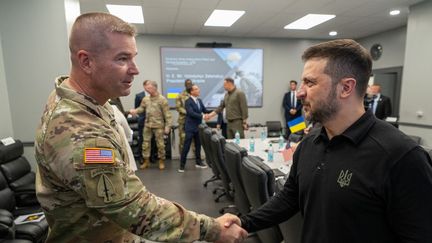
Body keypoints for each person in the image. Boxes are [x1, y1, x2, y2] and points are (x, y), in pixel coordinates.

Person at [35, 12, 247, 243]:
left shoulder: (87, 102)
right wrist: (212, 229)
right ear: (86, 61)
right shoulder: (79, 129)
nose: (135, 70)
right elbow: (131, 207)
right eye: (122, 58)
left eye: (133, 58)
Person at [230, 39, 432, 242]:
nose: (300, 92)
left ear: (345, 88)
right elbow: (290, 197)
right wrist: (245, 223)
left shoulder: (402, 156)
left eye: (310, 82)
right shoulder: (310, 144)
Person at [130, 80, 171, 170]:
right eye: (146, 88)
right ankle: (146, 161)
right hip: (147, 125)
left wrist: (168, 126)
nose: (147, 90)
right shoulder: (146, 99)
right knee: (145, 144)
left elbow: (167, 114)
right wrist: (135, 111)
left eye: (149, 88)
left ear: (154, 88)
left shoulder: (162, 99)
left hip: (159, 125)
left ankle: (161, 161)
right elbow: (141, 108)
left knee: (160, 145)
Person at [179, 84, 211, 172]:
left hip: (199, 127)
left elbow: (205, 110)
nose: (199, 90)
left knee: (198, 145)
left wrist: (214, 111)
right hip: (190, 127)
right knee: (186, 146)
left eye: (198, 89)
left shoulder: (199, 101)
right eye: (196, 89)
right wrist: (203, 117)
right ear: (191, 92)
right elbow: (191, 113)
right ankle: (182, 165)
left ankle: (198, 162)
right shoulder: (188, 101)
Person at [110, 100, 137, 171]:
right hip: (121, 141)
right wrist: (128, 138)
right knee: (128, 169)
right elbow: (126, 128)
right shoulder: (114, 109)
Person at [176, 79, 193, 154]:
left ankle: (197, 158)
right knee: (183, 139)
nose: (189, 85)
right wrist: (188, 112)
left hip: (193, 121)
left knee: (195, 140)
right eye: (187, 84)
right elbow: (178, 107)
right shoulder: (180, 95)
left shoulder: (194, 94)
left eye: (190, 84)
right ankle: (182, 157)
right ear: (185, 85)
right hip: (183, 120)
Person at [134, 81, 146, 162]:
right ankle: (141, 157)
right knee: (142, 139)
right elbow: (137, 108)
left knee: (152, 140)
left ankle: (152, 157)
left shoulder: (156, 96)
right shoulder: (139, 96)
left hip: (153, 121)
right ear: (144, 86)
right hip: (142, 120)